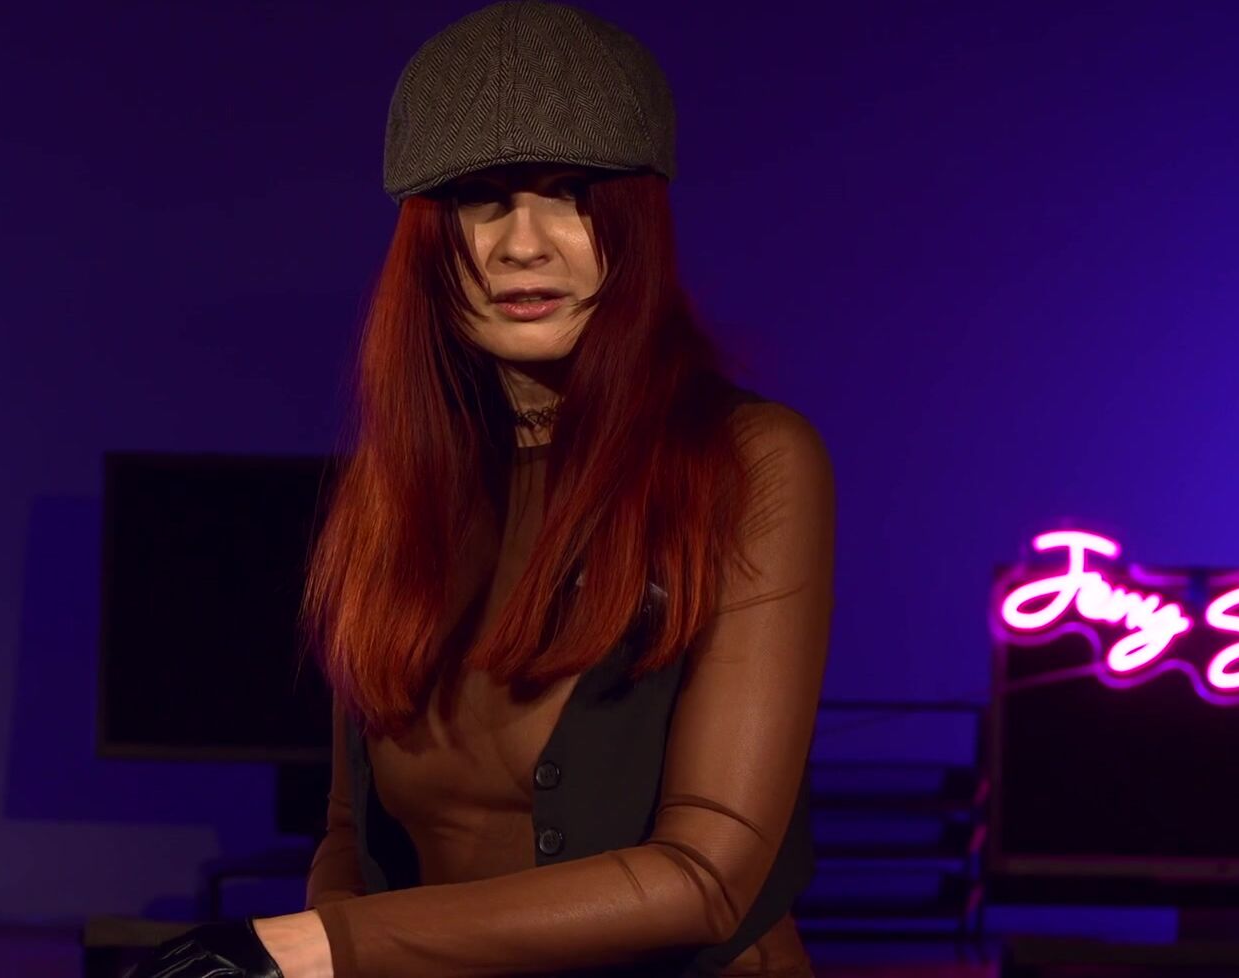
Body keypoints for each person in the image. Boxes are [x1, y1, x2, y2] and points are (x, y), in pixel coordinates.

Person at [130, 2, 833, 975]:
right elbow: (351, 835)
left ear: (636, 219)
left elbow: (709, 876)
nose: (523, 245)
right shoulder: (388, 491)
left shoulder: (749, 464)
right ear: (426, 235)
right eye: (479, 199)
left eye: (571, 193)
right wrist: (327, 952)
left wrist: (322, 948)